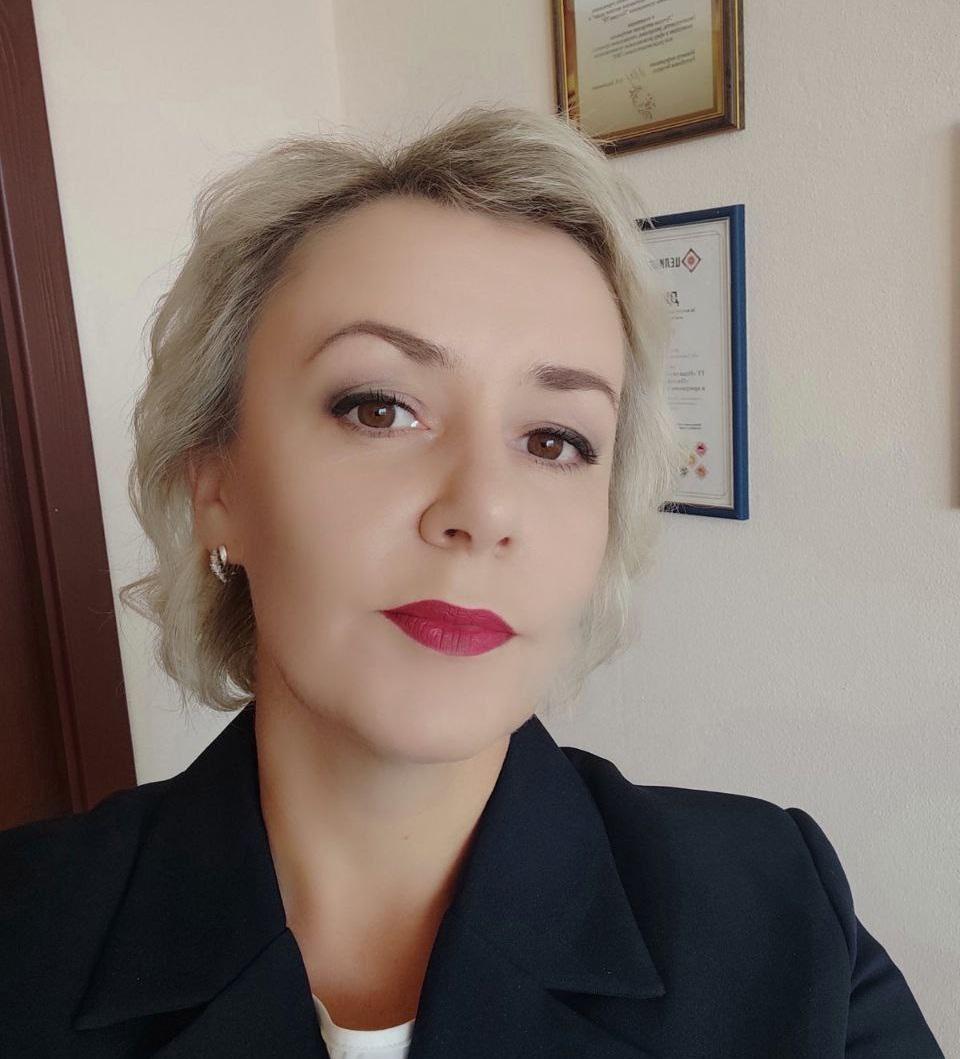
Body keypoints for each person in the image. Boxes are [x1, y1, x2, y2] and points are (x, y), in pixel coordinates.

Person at [0, 104, 944, 1059]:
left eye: (555, 440)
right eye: (379, 408)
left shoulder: (781, 918)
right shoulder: (24, 936)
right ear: (217, 486)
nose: (484, 507)